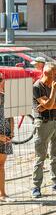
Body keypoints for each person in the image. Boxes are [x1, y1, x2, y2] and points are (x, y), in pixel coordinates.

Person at [32, 62, 56, 198]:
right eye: (55, 74)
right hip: (43, 123)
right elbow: (48, 104)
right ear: (46, 74)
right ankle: (36, 186)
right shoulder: (37, 87)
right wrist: (52, 94)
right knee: (40, 157)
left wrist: (48, 106)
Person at [0, 72, 11, 202]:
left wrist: (11, 132)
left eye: (1, 79)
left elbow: (11, 116)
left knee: (1, 165)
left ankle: (3, 194)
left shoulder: (5, 97)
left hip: (5, 135)